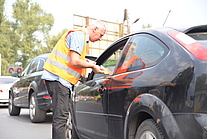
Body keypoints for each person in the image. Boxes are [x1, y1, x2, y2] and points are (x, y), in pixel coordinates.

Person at [41, 20, 106, 139]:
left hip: (60, 79)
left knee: (63, 116)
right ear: (95, 29)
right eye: (101, 35)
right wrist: (92, 66)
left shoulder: (80, 37)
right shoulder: (79, 35)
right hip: (58, 79)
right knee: (61, 118)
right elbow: (74, 61)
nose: (100, 38)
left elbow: (73, 62)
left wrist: (88, 65)